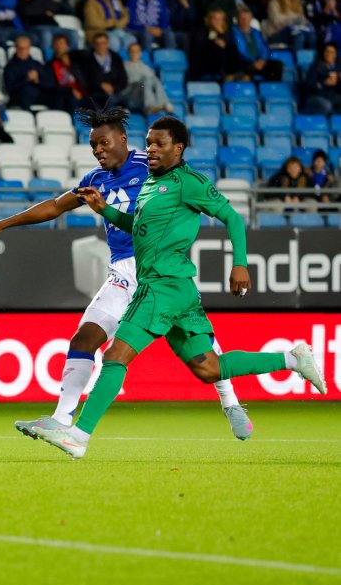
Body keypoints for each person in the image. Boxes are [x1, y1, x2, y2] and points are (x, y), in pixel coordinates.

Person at [32, 116, 329, 458]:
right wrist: (106, 211)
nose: (151, 149)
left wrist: (240, 264)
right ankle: (292, 358)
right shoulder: (151, 183)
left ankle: (78, 436)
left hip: (162, 287)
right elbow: (137, 225)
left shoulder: (189, 182)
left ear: (179, 148)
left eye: (159, 144)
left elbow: (231, 217)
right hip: (177, 292)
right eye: (149, 143)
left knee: (115, 357)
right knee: (208, 368)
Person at [0, 108, 256, 443]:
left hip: (160, 271)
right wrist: (3, 224)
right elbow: (55, 206)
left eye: (103, 143)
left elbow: (195, 197)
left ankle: (231, 403)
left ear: (123, 139)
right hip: (121, 274)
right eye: (93, 146)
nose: (98, 151)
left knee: (203, 350)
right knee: (84, 339)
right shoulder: (96, 179)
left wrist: (238, 259)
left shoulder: (152, 164)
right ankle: (60, 420)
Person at [3, 34, 67, 111]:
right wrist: (26, 79)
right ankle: (29, 119)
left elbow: (49, 83)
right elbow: (9, 88)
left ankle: (58, 119)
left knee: (58, 95)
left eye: (26, 48)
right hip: (19, 97)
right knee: (26, 92)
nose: (23, 51)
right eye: (20, 48)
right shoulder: (10, 66)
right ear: (16, 48)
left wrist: (37, 81)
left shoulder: (36, 64)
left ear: (29, 49)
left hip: (38, 95)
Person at [189, 8, 244, 82]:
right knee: (217, 49)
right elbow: (199, 47)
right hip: (206, 63)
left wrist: (221, 34)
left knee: (232, 48)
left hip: (224, 64)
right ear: (209, 20)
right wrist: (214, 42)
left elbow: (230, 46)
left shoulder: (228, 33)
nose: (217, 22)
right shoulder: (202, 31)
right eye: (215, 19)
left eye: (220, 19)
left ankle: (235, 74)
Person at [232, 6, 284, 82]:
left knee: (277, 65)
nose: (245, 21)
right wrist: (253, 62)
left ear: (251, 19)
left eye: (247, 18)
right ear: (237, 19)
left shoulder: (256, 33)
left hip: (260, 62)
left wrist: (262, 59)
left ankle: (272, 89)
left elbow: (265, 48)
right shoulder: (234, 33)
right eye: (242, 18)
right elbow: (239, 50)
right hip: (245, 63)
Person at [122, 40, 173, 114]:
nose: (134, 53)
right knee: (146, 80)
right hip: (131, 95)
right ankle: (151, 106)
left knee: (154, 79)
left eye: (137, 51)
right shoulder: (124, 66)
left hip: (143, 96)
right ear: (128, 53)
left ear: (140, 53)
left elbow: (154, 83)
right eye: (132, 51)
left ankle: (162, 104)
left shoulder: (146, 68)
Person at [81, 32, 129, 108]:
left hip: (114, 93)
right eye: (98, 44)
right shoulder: (86, 58)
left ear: (108, 44)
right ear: (93, 45)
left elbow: (124, 79)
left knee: (126, 101)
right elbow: (83, 80)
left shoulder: (116, 57)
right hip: (94, 94)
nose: (101, 46)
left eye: (103, 43)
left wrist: (113, 88)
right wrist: (100, 85)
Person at [46, 33, 87, 109]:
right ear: (53, 46)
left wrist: (70, 64)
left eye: (61, 43)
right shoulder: (50, 65)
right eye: (56, 43)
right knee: (70, 100)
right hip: (65, 93)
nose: (59, 46)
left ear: (67, 46)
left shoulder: (76, 60)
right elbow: (51, 86)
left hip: (83, 91)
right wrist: (70, 90)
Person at [305, 42, 341, 115]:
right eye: (327, 51)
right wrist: (324, 83)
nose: (329, 54)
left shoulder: (338, 67)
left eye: (332, 52)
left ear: (335, 54)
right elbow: (309, 85)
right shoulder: (315, 66)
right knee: (326, 105)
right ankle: (324, 125)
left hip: (333, 95)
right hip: (316, 95)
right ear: (323, 53)